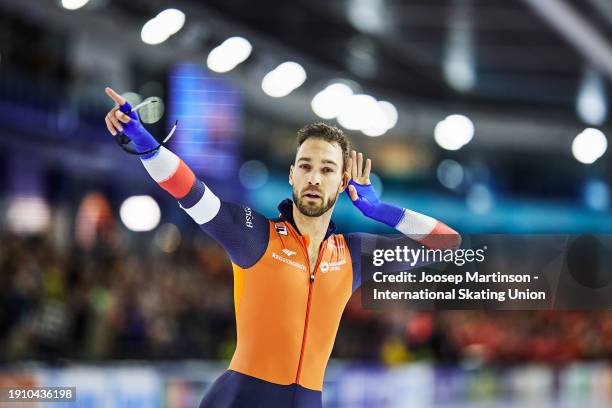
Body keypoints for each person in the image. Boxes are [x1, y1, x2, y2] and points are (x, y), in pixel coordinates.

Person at [103, 87, 460, 407]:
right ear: (291, 175)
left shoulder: (355, 254)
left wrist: (382, 210)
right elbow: (190, 190)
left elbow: (446, 243)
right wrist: (144, 142)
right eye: (305, 166)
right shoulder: (255, 235)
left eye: (327, 169)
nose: (314, 178)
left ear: (343, 183)